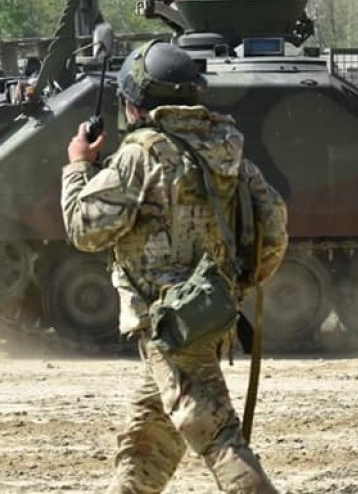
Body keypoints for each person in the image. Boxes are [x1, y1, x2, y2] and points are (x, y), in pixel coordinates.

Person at [61, 40, 289, 494]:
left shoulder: (140, 154)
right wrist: (232, 286)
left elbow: (85, 230)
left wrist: (78, 168)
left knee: (218, 437)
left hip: (169, 323)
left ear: (135, 103)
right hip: (206, 314)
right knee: (148, 441)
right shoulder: (227, 150)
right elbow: (274, 228)